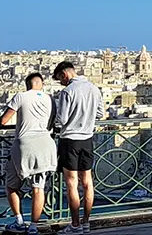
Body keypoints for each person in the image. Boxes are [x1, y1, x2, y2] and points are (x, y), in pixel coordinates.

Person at [0, 73, 56, 234]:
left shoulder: (21, 96)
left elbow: (4, 120)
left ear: (27, 85)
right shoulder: (50, 99)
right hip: (46, 145)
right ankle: (34, 227)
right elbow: (52, 124)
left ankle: (19, 220)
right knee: (38, 188)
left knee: (11, 185)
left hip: (24, 145)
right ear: (41, 84)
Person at [50, 61, 102, 234]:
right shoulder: (94, 88)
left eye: (60, 79)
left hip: (70, 141)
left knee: (72, 183)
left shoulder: (67, 92)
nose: (61, 83)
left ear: (64, 74)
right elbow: (100, 114)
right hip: (88, 139)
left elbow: (62, 119)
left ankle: (75, 225)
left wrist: (55, 124)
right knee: (87, 182)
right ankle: (86, 222)